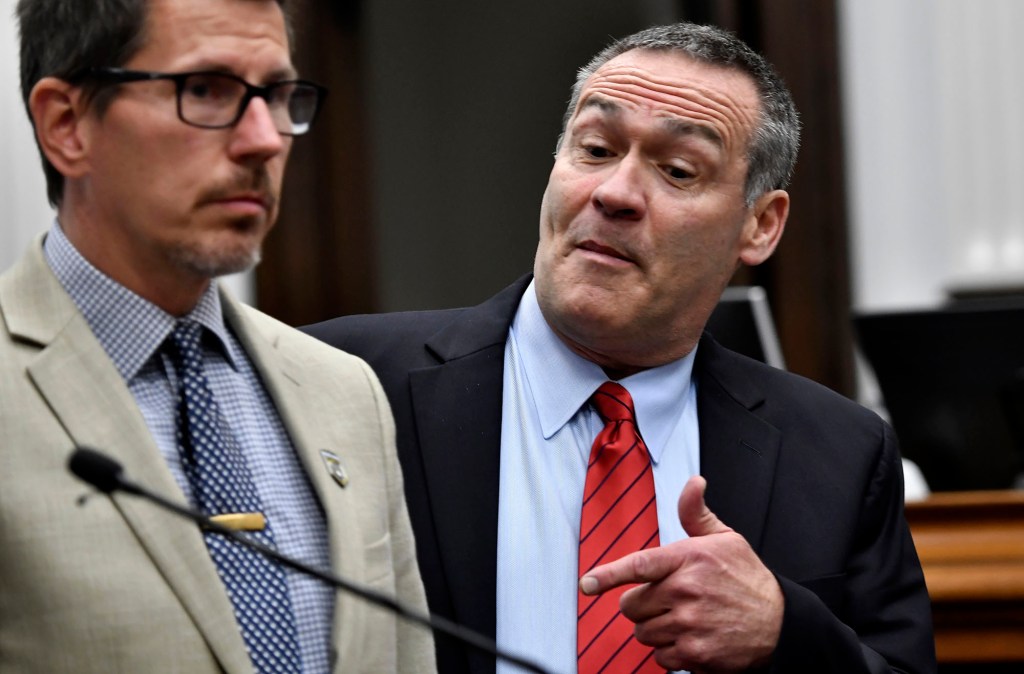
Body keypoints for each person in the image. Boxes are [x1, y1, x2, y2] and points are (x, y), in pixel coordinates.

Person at [305, 21, 935, 674]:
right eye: (596, 149)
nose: (614, 194)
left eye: (678, 169)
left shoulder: (839, 453)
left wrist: (784, 631)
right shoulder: (345, 379)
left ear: (760, 225)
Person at [0, 0, 434, 672]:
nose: (264, 138)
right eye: (205, 89)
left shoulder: (345, 392)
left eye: (279, 94)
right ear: (67, 124)